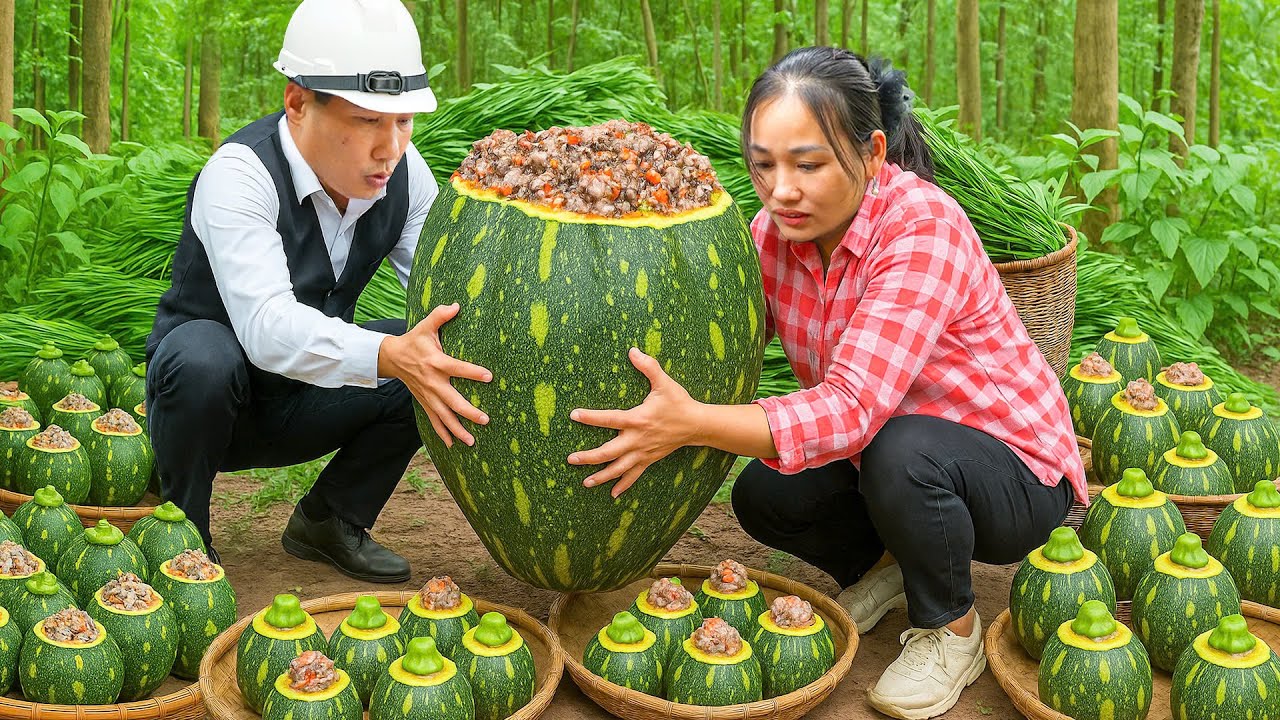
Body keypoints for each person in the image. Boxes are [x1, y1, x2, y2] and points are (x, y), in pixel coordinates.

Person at [566, 47, 1086, 720]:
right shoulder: (770, 235)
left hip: (1016, 475)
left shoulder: (921, 228)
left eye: (807, 164)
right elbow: (710, 343)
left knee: (902, 453)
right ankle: (893, 567)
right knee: (766, 490)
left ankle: (952, 629)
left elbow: (850, 412)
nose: (782, 188)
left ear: (871, 153)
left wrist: (691, 421)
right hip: (890, 451)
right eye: (764, 165)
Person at [145, 0, 489, 583]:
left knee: (437, 354)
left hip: (309, 397)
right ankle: (181, 536)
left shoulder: (406, 173)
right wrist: (386, 355)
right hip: (208, 406)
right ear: (299, 102)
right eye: (366, 121)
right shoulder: (240, 173)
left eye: (403, 120)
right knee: (203, 355)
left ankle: (330, 519)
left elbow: (452, 291)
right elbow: (267, 328)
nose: (390, 147)